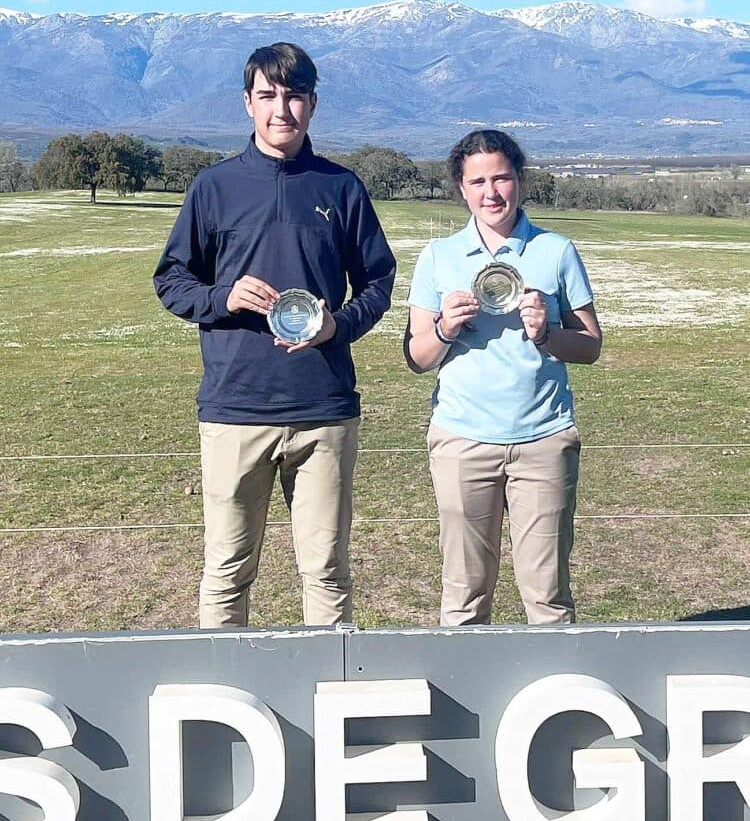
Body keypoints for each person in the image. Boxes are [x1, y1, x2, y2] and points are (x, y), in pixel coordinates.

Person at [154, 42, 396, 628]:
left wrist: (338, 325)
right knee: (228, 570)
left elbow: (379, 280)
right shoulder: (213, 188)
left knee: (327, 571)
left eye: (293, 96)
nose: (280, 109)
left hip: (324, 411)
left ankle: (329, 700)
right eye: (267, 95)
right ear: (247, 103)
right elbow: (171, 281)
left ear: (312, 104)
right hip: (236, 409)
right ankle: (220, 702)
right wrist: (223, 297)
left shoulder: (342, 188)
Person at [404, 129, 602, 627]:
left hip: (543, 441)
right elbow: (416, 356)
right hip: (462, 442)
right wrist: (445, 327)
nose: (491, 192)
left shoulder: (556, 251)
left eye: (502, 178)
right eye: (478, 182)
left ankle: (560, 702)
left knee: (548, 597)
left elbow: (591, 346)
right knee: (464, 597)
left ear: (519, 180)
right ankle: (465, 703)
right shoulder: (438, 257)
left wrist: (546, 333)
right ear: (461, 187)